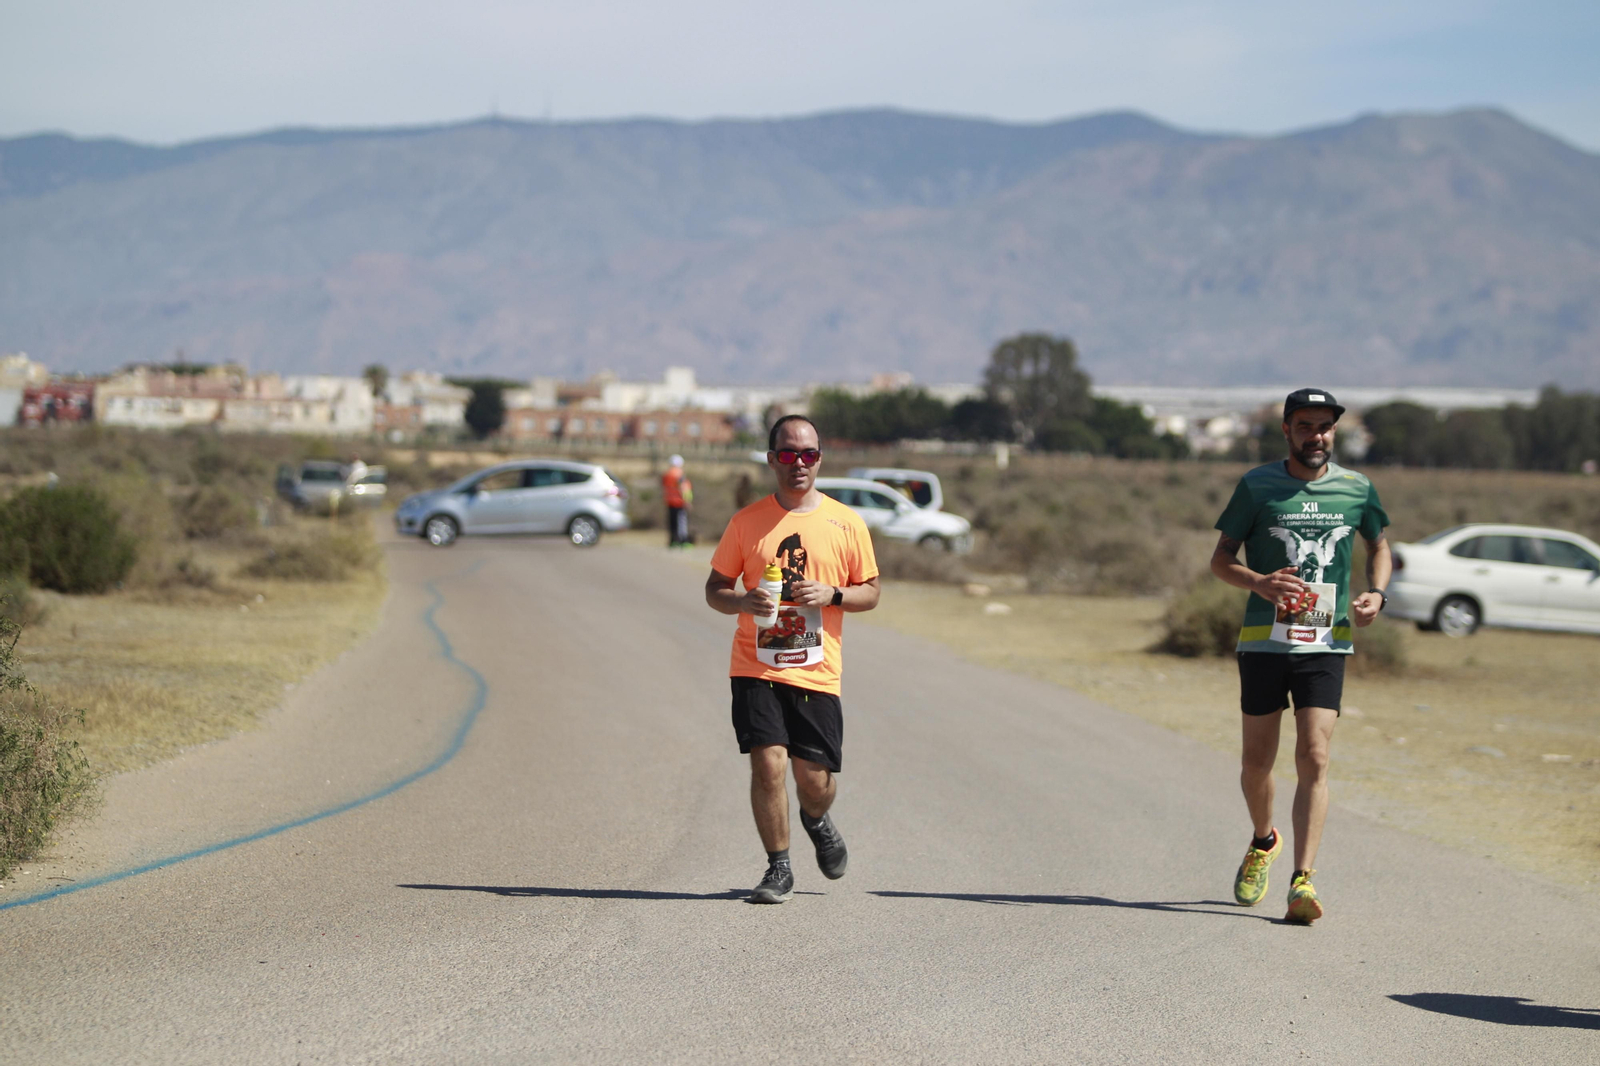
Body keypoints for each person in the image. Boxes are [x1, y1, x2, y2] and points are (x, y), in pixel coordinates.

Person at [1210, 388, 1391, 925]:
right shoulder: (1257, 485)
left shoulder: (1356, 488)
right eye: (1307, 426)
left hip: (1325, 643)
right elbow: (1220, 560)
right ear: (1287, 430)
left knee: (1314, 755)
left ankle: (1302, 882)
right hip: (1264, 643)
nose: (1318, 436)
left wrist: (1377, 593)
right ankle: (1264, 841)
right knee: (1256, 763)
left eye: (1326, 427)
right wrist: (1258, 581)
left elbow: (1379, 544)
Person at [705, 415, 881, 903]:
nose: (797, 463)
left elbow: (872, 592)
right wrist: (741, 602)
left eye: (806, 454)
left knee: (814, 780)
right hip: (755, 665)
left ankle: (817, 818)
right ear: (771, 459)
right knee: (768, 765)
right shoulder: (746, 523)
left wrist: (833, 593)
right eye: (787, 454)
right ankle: (778, 867)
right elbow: (715, 588)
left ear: (819, 458)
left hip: (817, 670)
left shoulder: (846, 522)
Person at [662, 454, 693, 548]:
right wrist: (687, 501)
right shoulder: (680, 474)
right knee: (681, 522)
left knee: (672, 523)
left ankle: (673, 541)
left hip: (670, 502)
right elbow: (684, 488)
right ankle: (683, 541)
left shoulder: (667, 474)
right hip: (679, 502)